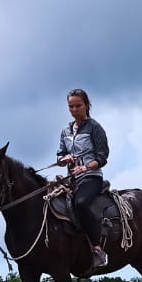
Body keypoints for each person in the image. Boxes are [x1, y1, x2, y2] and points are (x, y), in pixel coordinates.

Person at [56, 88, 110, 271]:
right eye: (70, 106)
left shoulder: (95, 127)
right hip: (71, 179)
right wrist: (64, 159)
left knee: (80, 203)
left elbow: (103, 156)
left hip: (91, 177)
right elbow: (60, 155)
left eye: (78, 105)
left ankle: (97, 248)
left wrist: (85, 167)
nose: (74, 109)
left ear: (86, 105)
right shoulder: (65, 130)